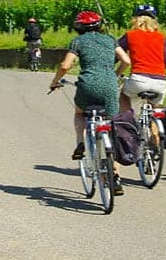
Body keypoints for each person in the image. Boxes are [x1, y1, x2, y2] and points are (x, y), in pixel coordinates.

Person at [50, 11, 131, 194]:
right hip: (110, 86)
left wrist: (55, 82)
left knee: (80, 114)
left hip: (87, 86)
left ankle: (80, 142)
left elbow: (65, 66)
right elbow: (126, 60)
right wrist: (115, 75)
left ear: (78, 27)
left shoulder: (78, 42)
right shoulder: (110, 40)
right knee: (111, 127)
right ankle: (115, 175)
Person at [116, 4, 166, 115]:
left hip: (138, 79)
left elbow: (116, 53)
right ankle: (157, 130)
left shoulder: (130, 35)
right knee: (156, 109)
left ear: (135, 19)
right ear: (154, 21)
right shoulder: (162, 37)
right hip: (160, 82)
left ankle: (127, 122)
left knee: (124, 95)